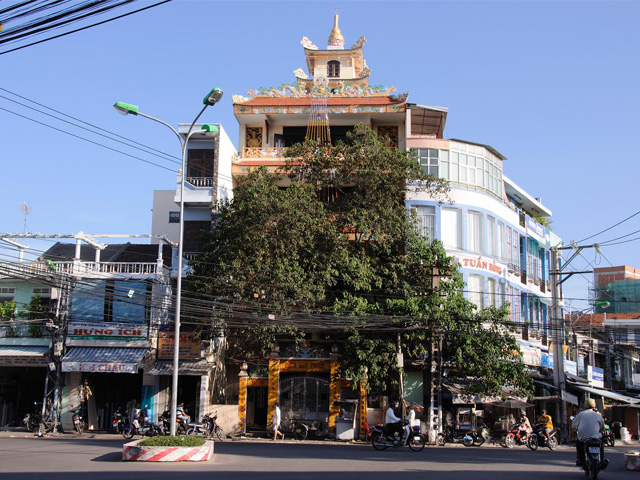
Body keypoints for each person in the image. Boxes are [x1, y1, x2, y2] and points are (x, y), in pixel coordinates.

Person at [573, 398, 608, 470]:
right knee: (601, 444)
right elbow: (602, 427)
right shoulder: (598, 415)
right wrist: (601, 431)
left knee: (579, 443)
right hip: (596, 437)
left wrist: (577, 429)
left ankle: (580, 459)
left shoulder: (580, 414)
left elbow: (574, 426)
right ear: (593, 406)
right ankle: (602, 460)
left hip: (583, 437)